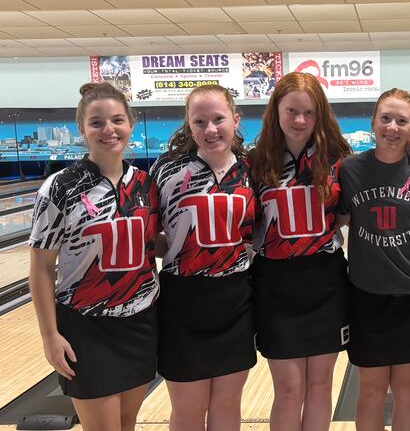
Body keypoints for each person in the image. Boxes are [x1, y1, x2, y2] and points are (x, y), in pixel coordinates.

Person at [28, 82, 159, 431]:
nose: (109, 129)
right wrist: (49, 335)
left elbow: (151, 245)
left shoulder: (145, 184)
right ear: (82, 129)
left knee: (127, 424)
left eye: (117, 120)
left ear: (130, 124)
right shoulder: (60, 187)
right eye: (97, 122)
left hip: (139, 323)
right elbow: (41, 267)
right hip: (85, 328)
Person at [248, 72, 351, 431]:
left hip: (325, 281)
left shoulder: (337, 159)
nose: (300, 121)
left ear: (320, 114)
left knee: (321, 385)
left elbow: (342, 217)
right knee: (289, 388)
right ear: (275, 111)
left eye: (309, 113)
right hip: (275, 285)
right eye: (291, 110)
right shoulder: (256, 162)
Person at [149, 84, 256, 431]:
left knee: (227, 404)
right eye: (200, 122)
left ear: (235, 120)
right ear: (189, 126)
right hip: (183, 301)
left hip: (236, 298)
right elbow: (152, 239)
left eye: (218, 119)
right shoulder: (165, 172)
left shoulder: (251, 171)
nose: (210, 130)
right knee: (189, 407)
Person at [338, 88, 410, 431]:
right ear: (373, 122)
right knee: (370, 391)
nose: (392, 127)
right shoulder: (351, 169)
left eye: (401, 120)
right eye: (386, 118)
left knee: (407, 391)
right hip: (366, 295)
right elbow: (337, 220)